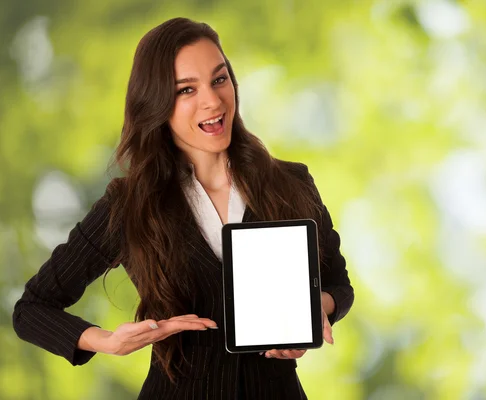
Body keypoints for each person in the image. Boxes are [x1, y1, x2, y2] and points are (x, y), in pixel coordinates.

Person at [12, 17, 354, 400]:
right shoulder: (130, 205)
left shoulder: (291, 184)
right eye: (186, 89)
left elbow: (338, 285)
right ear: (157, 105)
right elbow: (31, 310)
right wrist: (107, 342)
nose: (212, 100)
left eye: (219, 79)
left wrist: (311, 313)